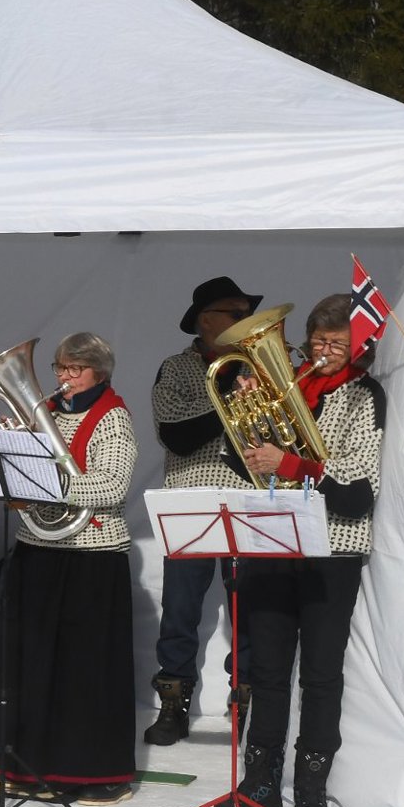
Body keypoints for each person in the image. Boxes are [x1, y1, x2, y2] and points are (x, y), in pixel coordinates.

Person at [232, 296, 385, 807]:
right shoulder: (285, 388)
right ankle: (261, 779)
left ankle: (312, 788)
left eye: (337, 344)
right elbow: (241, 460)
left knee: (320, 675)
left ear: (358, 347)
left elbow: (358, 492)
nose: (324, 352)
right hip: (273, 544)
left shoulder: (366, 397)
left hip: (333, 551)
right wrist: (249, 418)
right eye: (318, 341)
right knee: (268, 671)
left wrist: (293, 463)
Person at [0, 332, 139, 803]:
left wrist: (48, 486)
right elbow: (30, 472)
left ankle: (88, 772)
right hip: (38, 549)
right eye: (59, 368)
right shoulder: (44, 415)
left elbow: (112, 486)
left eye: (74, 370)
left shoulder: (114, 418)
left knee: (83, 672)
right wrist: (10, 451)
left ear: (99, 373)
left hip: (92, 556)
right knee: (33, 663)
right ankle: (31, 764)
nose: (63, 378)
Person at [144, 276, 260, 744]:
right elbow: (177, 436)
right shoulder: (174, 369)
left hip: (250, 499)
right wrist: (231, 394)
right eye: (235, 313)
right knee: (179, 610)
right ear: (205, 320)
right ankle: (173, 704)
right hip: (189, 500)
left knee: (249, 610)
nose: (243, 321)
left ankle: (248, 703)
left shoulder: (261, 368)